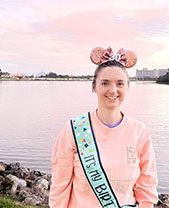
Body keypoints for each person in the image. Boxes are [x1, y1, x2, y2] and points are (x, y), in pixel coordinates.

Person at [49, 47, 158, 208]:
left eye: (120, 83)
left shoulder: (139, 132)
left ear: (127, 87)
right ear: (94, 87)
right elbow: (60, 186)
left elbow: (147, 186)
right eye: (105, 83)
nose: (113, 90)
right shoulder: (74, 130)